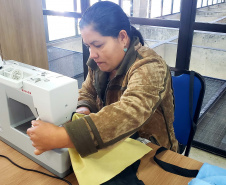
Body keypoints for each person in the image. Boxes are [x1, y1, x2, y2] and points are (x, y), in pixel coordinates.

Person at [27, 1, 178, 157]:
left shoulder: (150, 65)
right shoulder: (99, 64)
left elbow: (129, 113)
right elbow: (87, 93)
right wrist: (83, 110)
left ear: (122, 37)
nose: (92, 54)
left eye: (97, 44)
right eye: (88, 46)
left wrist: (62, 137)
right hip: (115, 148)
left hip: (154, 154)